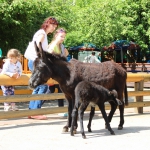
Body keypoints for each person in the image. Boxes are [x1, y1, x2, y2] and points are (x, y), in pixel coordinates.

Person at [24, 17, 58, 120]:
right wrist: (43, 56)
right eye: (53, 25)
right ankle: (36, 111)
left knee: (38, 86)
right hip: (36, 62)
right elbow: (38, 44)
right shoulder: (42, 33)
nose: (53, 28)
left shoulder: (42, 33)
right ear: (47, 24)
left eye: (55, 27)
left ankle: (32, 110)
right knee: (43, 86)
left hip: (34, 61)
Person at [47, 28, 69, 108]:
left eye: (64, 37)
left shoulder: (61, 46)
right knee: (51, 89)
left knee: (59, 89)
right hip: (54, 71)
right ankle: (36, 107)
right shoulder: (52, 46)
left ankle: (61, 109)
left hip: (59, 71)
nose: (63, 38)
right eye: (61, 36)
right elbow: (49, 56)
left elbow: (66, 54)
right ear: (56, 35)